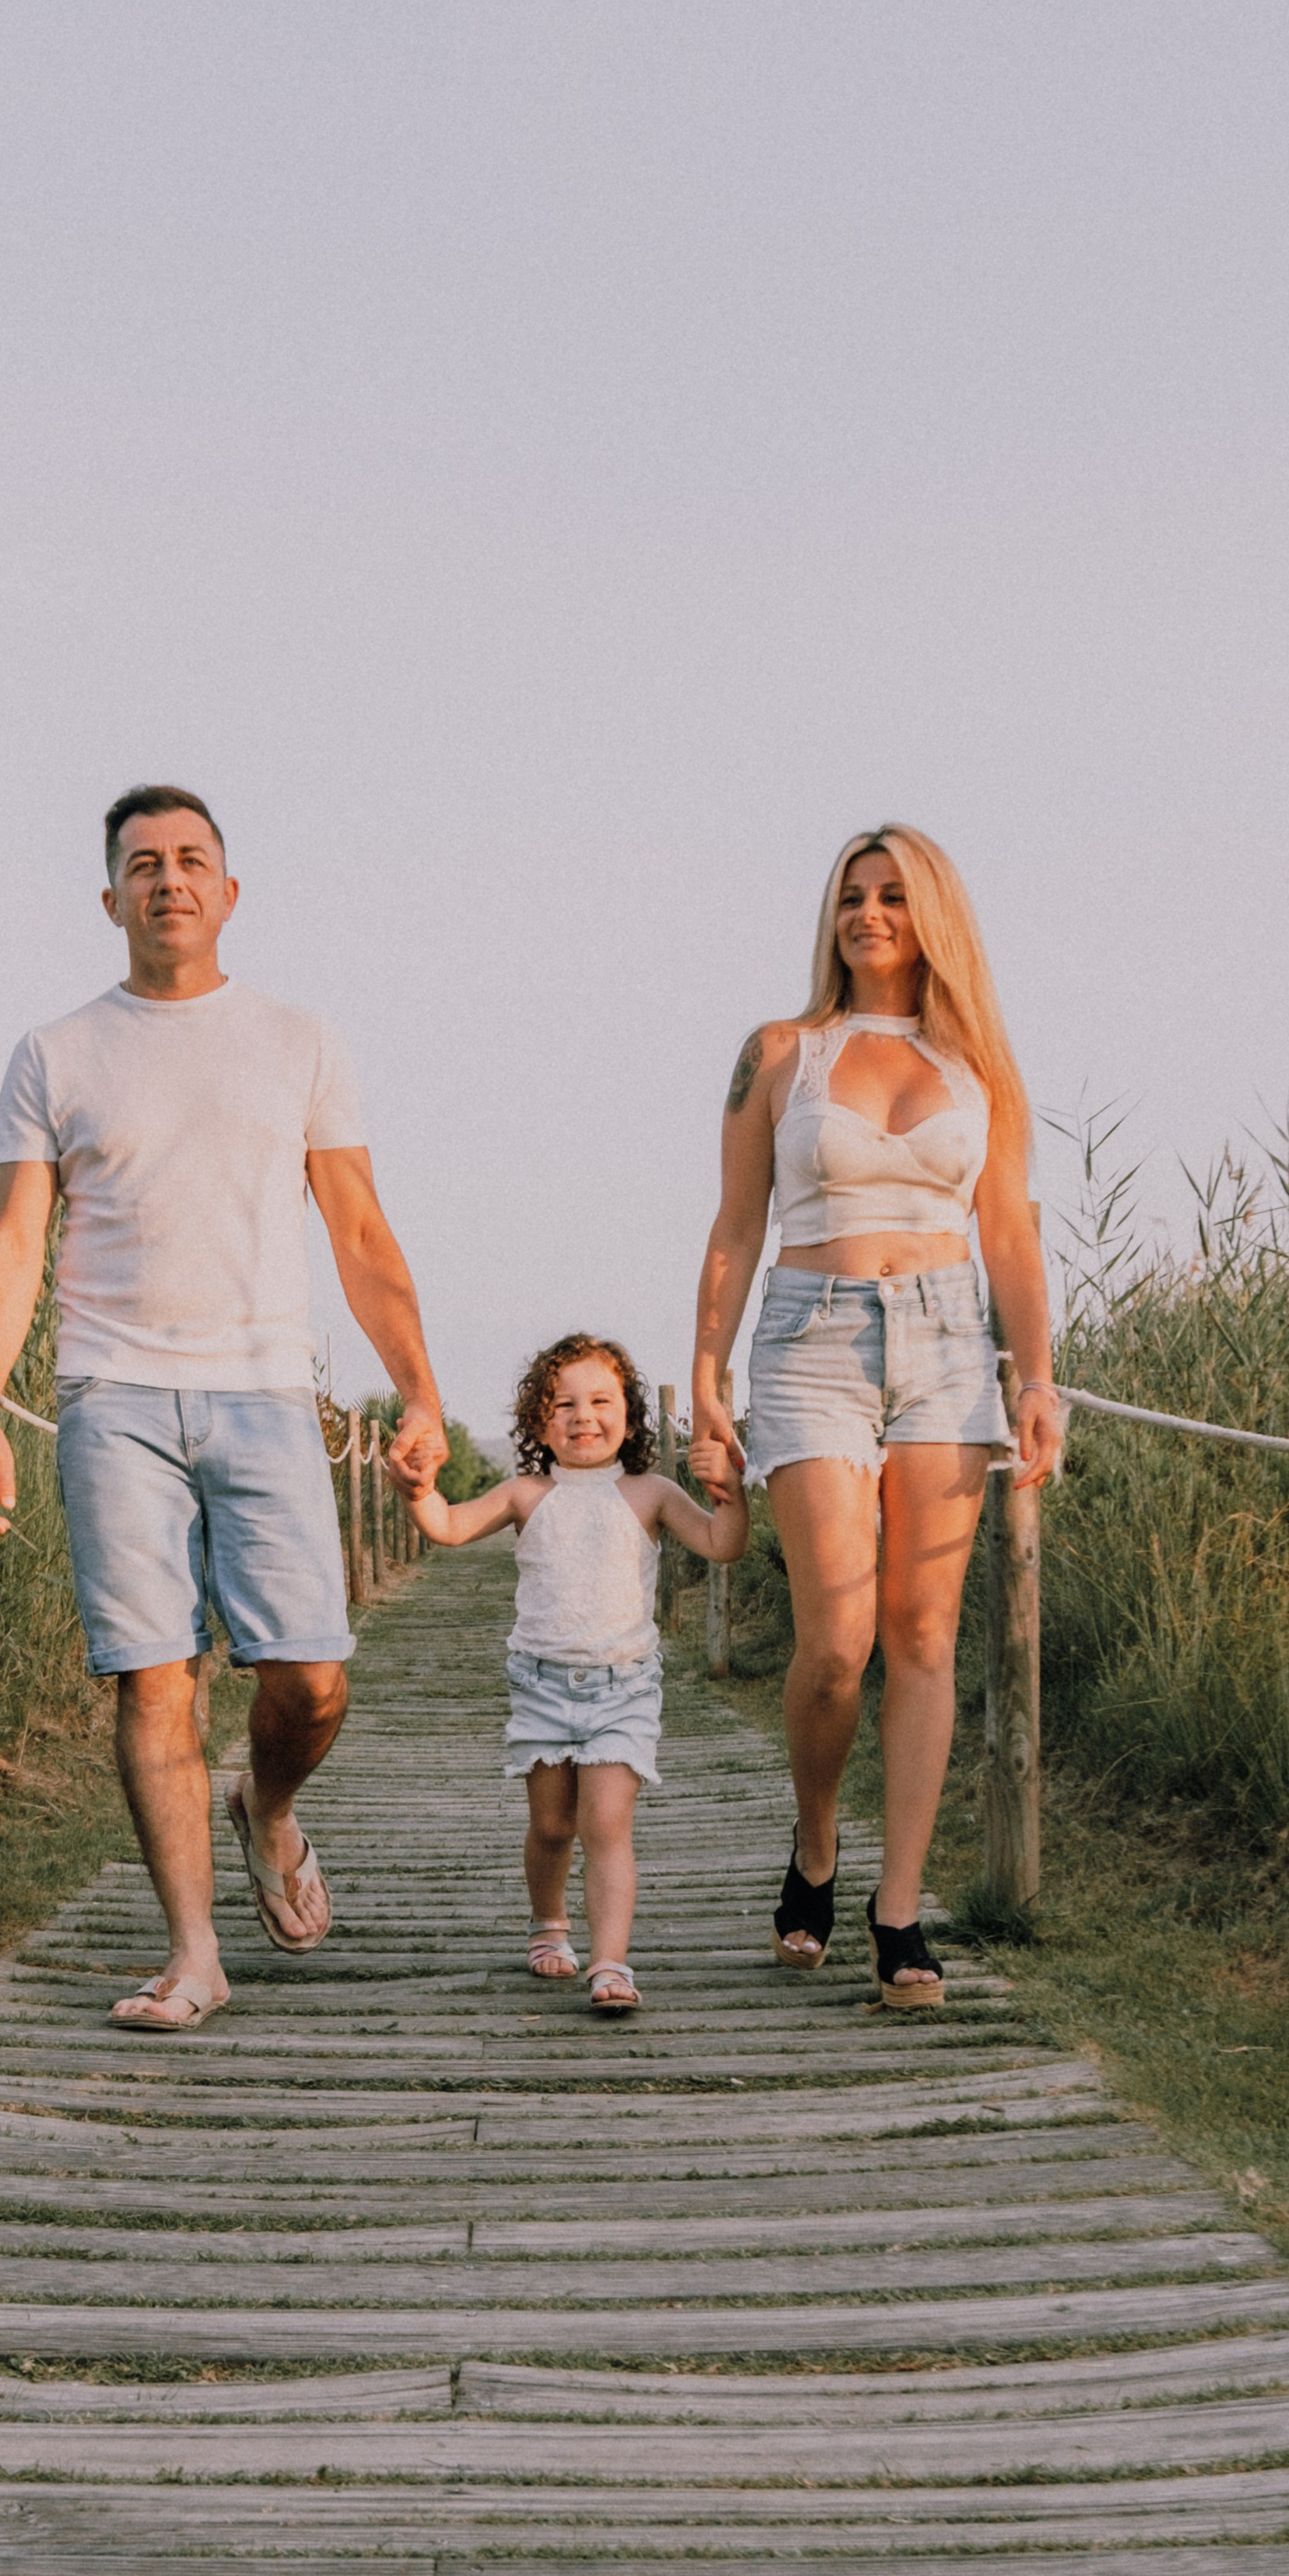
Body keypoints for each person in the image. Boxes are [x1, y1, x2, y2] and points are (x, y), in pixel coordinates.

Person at [0, 785, 447, 2029]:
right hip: (111, 1393)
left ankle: (266, 1809)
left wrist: (420, 1393)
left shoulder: (299, 1039)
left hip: (265, 1388)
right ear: (109, 899)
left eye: (189, 860)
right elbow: (15, 1241)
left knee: (312, 1676)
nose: (167, 880)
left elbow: (361, 1231)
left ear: (228, 892)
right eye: (143, 864)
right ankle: (192, 1954)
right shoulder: (55, 1052)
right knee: (152, 1677)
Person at [689, 825, 1061, 2017]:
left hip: (947, 1341)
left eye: (893, 895)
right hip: (811, 1339)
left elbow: (1010, 1233)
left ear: (930, 914)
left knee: (924, 1635)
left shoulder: (981, 1069)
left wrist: (1037, 1377)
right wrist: (706, 1373)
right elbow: (736, 1225)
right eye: (852, 895)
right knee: (836, 1644)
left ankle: (898, 1913)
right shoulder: (780, 1052)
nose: (868, 914)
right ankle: (815, 1843)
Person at [408, 1334, 747, 2015]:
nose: (582, 1416)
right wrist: (418, 1488)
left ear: (630, 1416)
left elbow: (721, 1543)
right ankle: (548, 1923)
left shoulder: (651, 1493)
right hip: (541, 1686)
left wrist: (732, 1494)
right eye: (563, 1404)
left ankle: (610, 1963)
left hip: (625, 1690)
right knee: (553, 1825)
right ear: (539, 1423)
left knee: (606, 1823)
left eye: (600, 1401)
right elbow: (447, 1526)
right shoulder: (526, 1493)